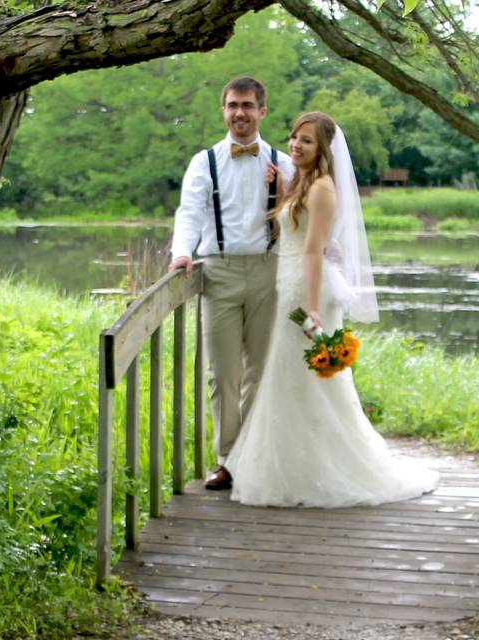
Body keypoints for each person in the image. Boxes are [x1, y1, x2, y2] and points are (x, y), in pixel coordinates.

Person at [225, 112, 438, 507]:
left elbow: (313, 250)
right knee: (289, 379)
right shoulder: (300, 181)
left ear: (322, 148)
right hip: (288, 283)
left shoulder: (323, 188)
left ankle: (327, 467)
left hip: (307, 291)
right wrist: (276, 188)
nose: (295, 145)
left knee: (315, 380)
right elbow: (286, 231)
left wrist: (312, 309)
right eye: (293, 137)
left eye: (306, 141)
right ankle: (293, 465)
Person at [169, 76, 294, 490]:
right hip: (218, 271)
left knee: (260, 371)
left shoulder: (283, 160)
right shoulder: (203, 162)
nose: (239, 113)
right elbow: (190, 211)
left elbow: (301, 215)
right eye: (232, 105)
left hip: (268, 272)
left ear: (262, 111)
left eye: (247, 105)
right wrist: (182, 252)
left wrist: (281, 192)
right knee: (221, 374)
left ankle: (252, 457)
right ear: (223, 110)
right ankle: (227, 460)